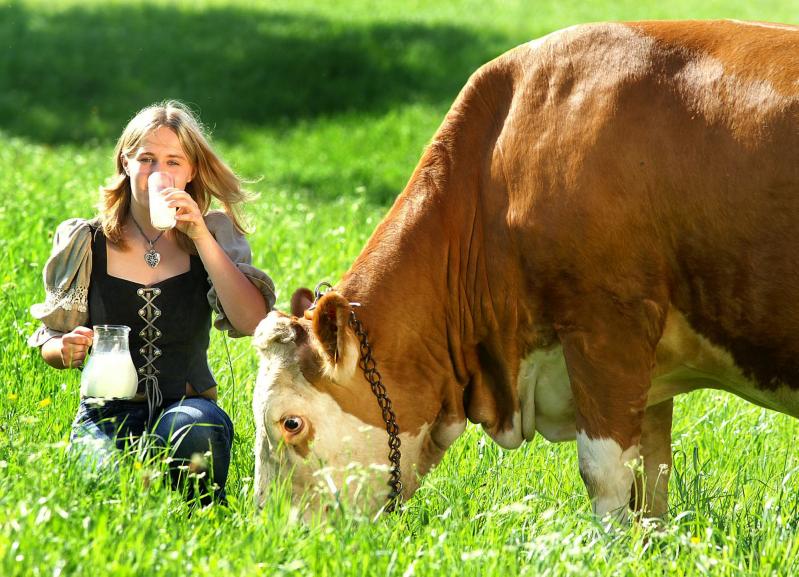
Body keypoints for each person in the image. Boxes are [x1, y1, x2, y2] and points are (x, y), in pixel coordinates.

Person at [28, 100, 275, 504]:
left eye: (173, 161)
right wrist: (65, 348)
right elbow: (51, 341)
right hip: (106, 410)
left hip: (188, 406)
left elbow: (251, 322)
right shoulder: (86, 241)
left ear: (191, 170)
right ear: (126, 163)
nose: (159, 172)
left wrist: (200, 236)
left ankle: (198, 515)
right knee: (102, 494)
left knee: (195, 433)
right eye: (146, 159)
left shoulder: (212, 235)